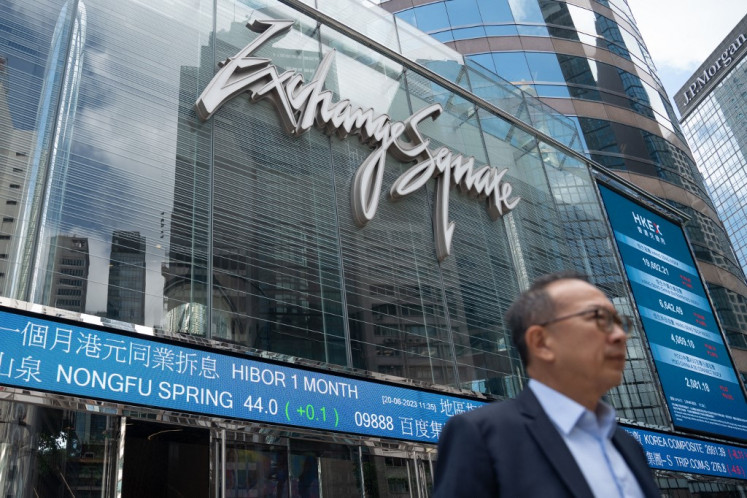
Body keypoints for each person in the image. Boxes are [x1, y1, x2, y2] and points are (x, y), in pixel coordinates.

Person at [433, 272, 660, 497]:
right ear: (541, 342)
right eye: (600, 319)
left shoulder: (629, 446)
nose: (620, 335)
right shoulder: (482, 436)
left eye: (621, 324)